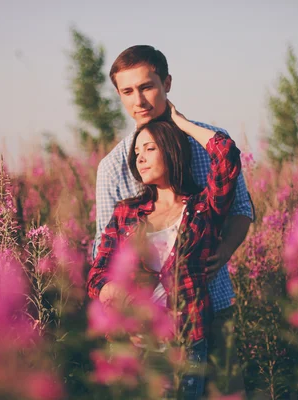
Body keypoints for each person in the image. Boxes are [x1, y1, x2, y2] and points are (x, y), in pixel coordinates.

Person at [91, 45, 252, 395]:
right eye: (127, 91)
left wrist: (223, 251)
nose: (140, 100)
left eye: (147, 86)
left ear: (167, 83)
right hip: (144, 323)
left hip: (212, 303)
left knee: (226, 391)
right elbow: (104, 258)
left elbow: (241, 209)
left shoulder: (204, 142)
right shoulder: (113, 167)